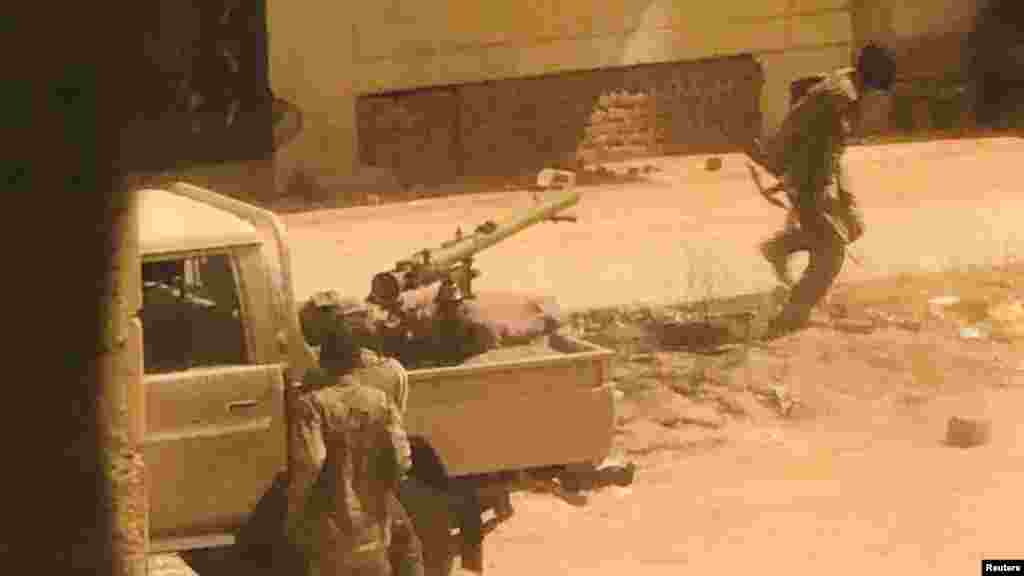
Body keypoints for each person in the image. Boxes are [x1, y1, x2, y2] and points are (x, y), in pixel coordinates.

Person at [741, 44, 895, 338]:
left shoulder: (846, 83)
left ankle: (781, 247)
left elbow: (820, 140)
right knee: (831, 253)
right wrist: (807, 189)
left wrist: (838, 192)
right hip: (810, 172)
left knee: (853, 226)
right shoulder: (843, 97)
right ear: (877, 81)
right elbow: (812, 147)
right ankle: (792, 315)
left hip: (822, 166)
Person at [287, 297, 424, 576]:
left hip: (331, 531)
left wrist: (295, 509)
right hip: (374, 528)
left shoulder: (313, 404)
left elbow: (312, 462)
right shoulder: (381, 401)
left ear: (325, 363)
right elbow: (402, 459)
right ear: (356, 362)